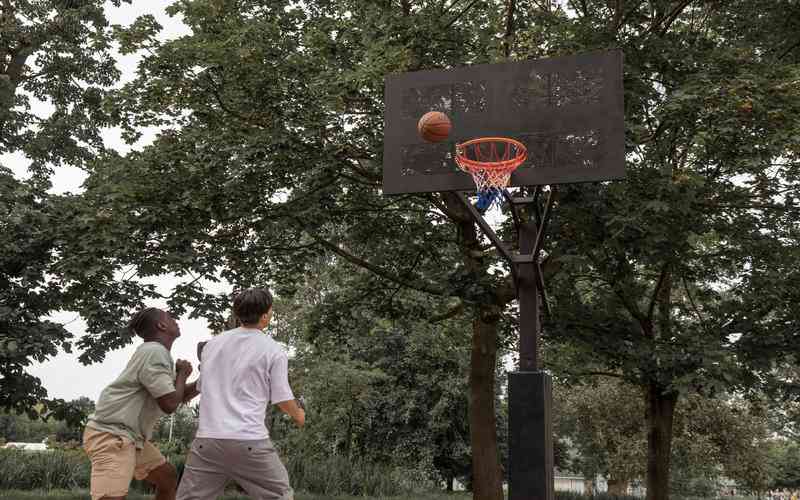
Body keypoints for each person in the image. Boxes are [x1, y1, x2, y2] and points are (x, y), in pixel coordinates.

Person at [177, 287, 305, 500]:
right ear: (266, 316)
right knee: (279, 495)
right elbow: (282, 398)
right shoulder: (273, 350)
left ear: (237, 314)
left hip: (207, 441)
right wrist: (299, 415)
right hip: (249, 440)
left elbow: (203, 386)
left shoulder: (212, 346)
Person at [82, 307, 195, 500]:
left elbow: (176, 395)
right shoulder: (154, 352)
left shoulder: (157, 354)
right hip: (111, 436)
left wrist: (206, 378)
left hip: (131, 438)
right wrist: (183, 374)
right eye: (170, 317)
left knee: (167, 478)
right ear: (161, 325)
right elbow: (170, 404)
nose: (175, 319)